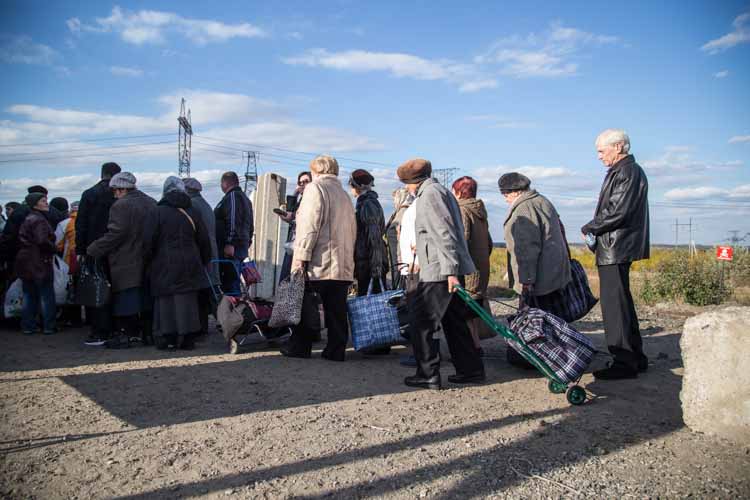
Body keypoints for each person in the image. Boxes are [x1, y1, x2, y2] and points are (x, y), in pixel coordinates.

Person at [397, 158, 484, 390]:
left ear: (413, 182)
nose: (406, 188)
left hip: (438, 270)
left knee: (422, 322)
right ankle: (470, 369)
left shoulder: (430, 196)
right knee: (455, 321)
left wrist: (450, 272)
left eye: (406, 183)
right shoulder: (440, 191)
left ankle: (428, 374)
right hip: (445, 269)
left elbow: (443, 234)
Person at [582, 129, 650, 380]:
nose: (599, 157)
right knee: (621, 302)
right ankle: (635, 358)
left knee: (614, 306)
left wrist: (590, 227)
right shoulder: (625, 171)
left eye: (602, 151)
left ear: (619, 146)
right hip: (616, 246)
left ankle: (624, 362)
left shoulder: (626, 172)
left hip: (616, 247)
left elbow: (618, 211)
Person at [281, 155, 356, 361]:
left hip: (320, 261)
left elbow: (308, 227)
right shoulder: (344, 194)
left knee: (303, 303)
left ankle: (300, 346)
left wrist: (301, 258)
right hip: (342, 263)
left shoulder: (315, 189)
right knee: (336, 309)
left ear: (316, 171)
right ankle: (336, 349)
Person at [500, 172, 571, 367]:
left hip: (540, 277)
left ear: (513, 192)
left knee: (535, 323)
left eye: (505, 195)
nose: (505, 199)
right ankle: (557, 357)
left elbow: (527, 249)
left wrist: (526, 281)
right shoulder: (542, 201)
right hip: (554, 274)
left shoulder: (524, 208)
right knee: (552, 320)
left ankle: (539, 360)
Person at [87, 173, 157, 347]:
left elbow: (116, 233)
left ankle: (125, 335)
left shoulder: (121, 205)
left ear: (123, 189)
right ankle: (148, 334)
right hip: (150, 258)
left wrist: (94, 249)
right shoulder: (151, 202)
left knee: (126, 299)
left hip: (127, 257)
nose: (114, 195)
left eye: (115, 191)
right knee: (146, 299)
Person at [143, 177, 211, 350]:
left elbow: (148, 241)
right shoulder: (193, 211)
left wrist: (149, 261)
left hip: (163, 261)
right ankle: (187, 337)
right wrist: (203, 260)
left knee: (165, 300)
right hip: (191, 261)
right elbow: (204, 240)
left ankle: (167, 337)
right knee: (187, 300)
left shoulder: (157, 212)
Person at [76, 162, 121, 346]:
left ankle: (98, 330)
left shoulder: (89, 194)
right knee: (116, 289)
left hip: (93, 249)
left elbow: (81, 224)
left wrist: (80, 250)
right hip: (116, 249)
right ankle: (115, 327)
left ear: (102, 174)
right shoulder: (118, 194)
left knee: (96, 289)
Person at [451, 176, 493, 355]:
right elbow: (490, 243)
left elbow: (463, 241)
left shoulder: (462, 210)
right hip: (482, 266)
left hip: (468, 271)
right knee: (474, 309)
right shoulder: (480, 211)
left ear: (459, 192)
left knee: (466, 310)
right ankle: (475, 346)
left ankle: (473, 347)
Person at [15, 192, 57, 335]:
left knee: (29, 294)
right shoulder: (39, 220)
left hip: (26, 260)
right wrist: (54, 248)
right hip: (39, 260)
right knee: (46, 294)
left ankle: (28, 325)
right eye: (43, 200)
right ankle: (49, 326)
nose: (46, 203)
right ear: (35, 204)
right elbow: (42, 241)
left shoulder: (28, 218)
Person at [184, 177, 219, 337]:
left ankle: (202, 327)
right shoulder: (205, 204)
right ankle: (207, 326)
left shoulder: (193, 205)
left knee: (202, 293)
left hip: (202, 253)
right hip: (211, 252)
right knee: (208, 292)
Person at [214, 172, 254, 296]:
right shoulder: (245, 199)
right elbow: (250, 226)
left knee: (231, 283)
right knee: (232, 281)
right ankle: (234, 309)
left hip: (232, 249)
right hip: (239, 246)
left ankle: (233, 312)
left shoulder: (233, 197)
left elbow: (233, 220)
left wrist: (230, 243)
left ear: (225, 183)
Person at [278, 171, 312, 282]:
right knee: (286, 276)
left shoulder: (313, 200)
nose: (302, 184)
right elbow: (291, 212)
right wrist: (295, 193)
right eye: (300, 182)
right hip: (292, 242)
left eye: (306, 181)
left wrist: (293, 219)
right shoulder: (301, 199)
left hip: (302, 244)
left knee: (294, 277)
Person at [55, 201, 83, 326]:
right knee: (88, 288)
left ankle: (74, 319)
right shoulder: (90, 221)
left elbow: (58, 245)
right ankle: (91, 318)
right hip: (87, 259)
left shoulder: (64, 224)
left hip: (69, 262)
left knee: (72, 290)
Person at [385, 187, 414, 288]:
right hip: (398, 259)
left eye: (395, 199)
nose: (394, 202)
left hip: (400, 260)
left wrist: (401, 259)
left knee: (401, 288)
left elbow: (402, 237)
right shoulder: (400, 212)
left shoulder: (404, 212)